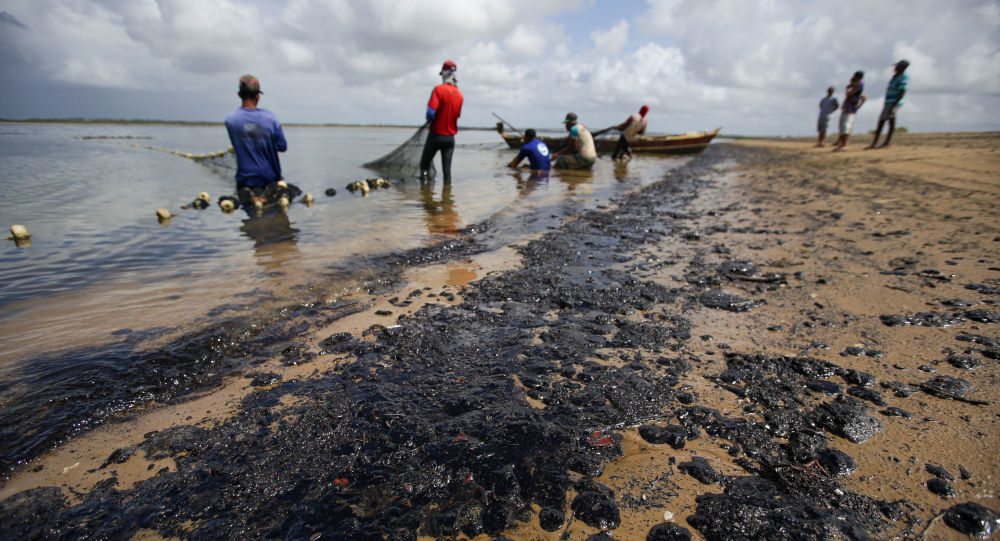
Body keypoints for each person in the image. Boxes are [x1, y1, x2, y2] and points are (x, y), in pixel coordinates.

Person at [224, 74, 288, 204]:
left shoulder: (231, 120)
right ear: (257, 95)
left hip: (245, 182)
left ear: (240, 95)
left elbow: (241, 140)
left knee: (249, 219)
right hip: (270, 180)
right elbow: (282, 146)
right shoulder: (271, 118)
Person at [420, 60, 464, 183]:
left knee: (424, 164)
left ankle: (425, 195)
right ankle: (447, 197)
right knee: (447, 170)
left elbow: (430, 112)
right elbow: (458, 115)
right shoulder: (460, 95)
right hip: (450, 139)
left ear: (444, 74)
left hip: (436, 135)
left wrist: (430, 120)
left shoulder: (438, 90)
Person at [867, 60, 910, 149]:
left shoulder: (904, 77)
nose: (895, 68)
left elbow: (902, 92)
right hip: (888, 102)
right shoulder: (895, 76)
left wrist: (894, 105)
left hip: (895, 102)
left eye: (897, 66)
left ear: (902, 67)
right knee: (882, 121)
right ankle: (875, 143)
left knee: (890, 121)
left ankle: (886, 143)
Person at [831, 71, 866, 152]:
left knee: (846, 126)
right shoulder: (857, 85)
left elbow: (848, 94)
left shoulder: (859, 85)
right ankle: (841, 144)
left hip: (850, 108)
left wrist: (849, 87)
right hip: (848, 107)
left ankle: (844, 145)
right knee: (843, 126)